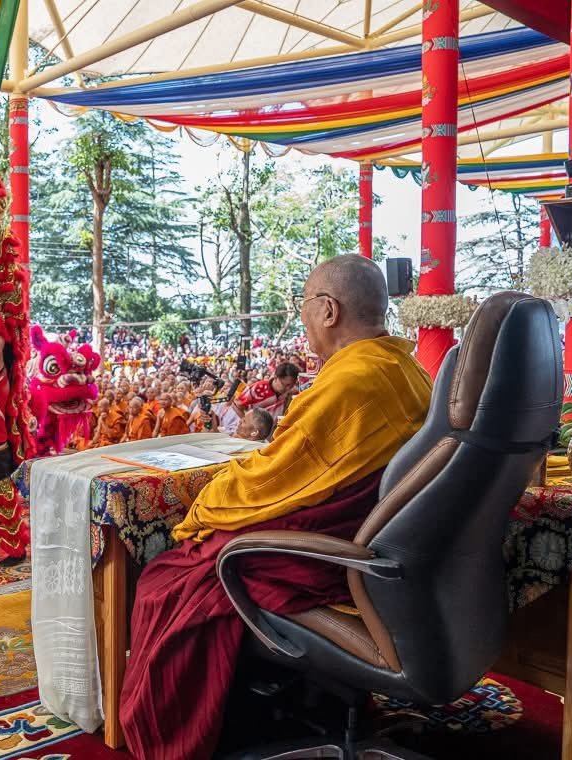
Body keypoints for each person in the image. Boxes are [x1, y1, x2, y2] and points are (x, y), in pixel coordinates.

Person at [120, 255, 433, 759]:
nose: (304, 320)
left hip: (331, 561)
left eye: (305, 307)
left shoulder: (350, 382)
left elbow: (272, 481)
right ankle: (287, 703)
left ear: (328, 310)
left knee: (173, 576)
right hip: (391, 556)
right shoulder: (406, 367)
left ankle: (187, 735)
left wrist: (205, 505)